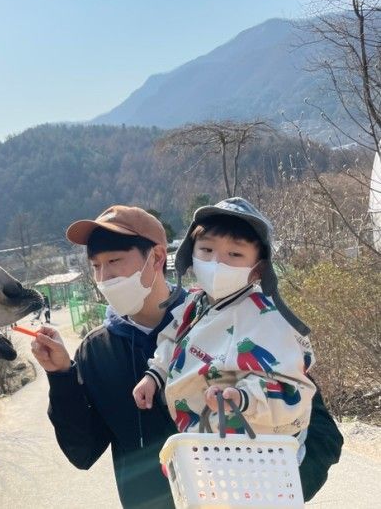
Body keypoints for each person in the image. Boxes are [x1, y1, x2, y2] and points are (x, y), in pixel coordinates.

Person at [30, 204, 342, 508]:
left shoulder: (240, 321)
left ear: (156, 258)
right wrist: (61, 375)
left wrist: (270, 492)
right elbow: (82, 453)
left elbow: (320, 432)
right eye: (95, 266)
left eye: (115, 261)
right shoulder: (97, 351)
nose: (104, 277)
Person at [134, 198, 315, 456]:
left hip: (250, 454)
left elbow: (291, 389)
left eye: (235, 254)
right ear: (190, 254)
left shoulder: (265, 318)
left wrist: (243, 398)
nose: (217, 263)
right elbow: (172, 341)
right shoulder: (193, 303)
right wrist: (155, 375)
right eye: (207, 251)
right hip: (204, 443)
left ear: (258, 269)